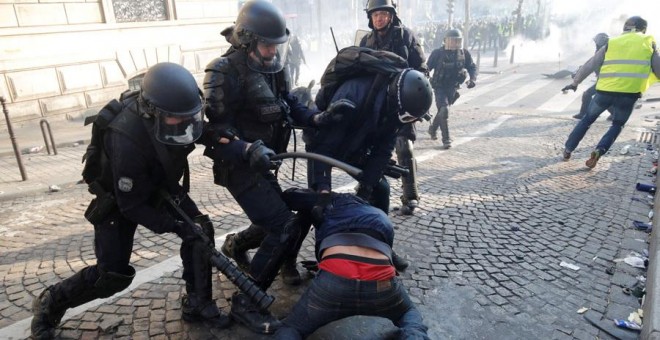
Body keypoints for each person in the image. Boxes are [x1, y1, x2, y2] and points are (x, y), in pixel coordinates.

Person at [30, 62, 230, 339]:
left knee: (199, 231)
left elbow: (191, 127)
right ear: (153, 112)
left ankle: (198, 303)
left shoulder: (174, 114)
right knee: (112, 275)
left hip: (158, 184)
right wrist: (173, 225)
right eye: (176, 118)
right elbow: (132, 206)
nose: (183, 122)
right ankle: (50, 303)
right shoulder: (126, 138)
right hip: (119, 201)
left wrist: (214, 134)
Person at [201, 0, 349, 333]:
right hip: (239, 167)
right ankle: (247, 302)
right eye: (267, 44)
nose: (272, 51)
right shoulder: (223, 71)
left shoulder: (273, 64)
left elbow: (289, 103)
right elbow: (211, 131)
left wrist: (316, 117)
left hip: (268, 162)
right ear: (247, 39)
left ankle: (237, 245)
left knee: (284, 217)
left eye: (275, 45)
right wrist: (246, 148)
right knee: (283, 225)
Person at [306, 68, 432, 271]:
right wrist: (322, 188)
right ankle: (320, 261)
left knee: (380, 189)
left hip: (356, 145)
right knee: (317, 205)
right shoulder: (353, 96)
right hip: (323, 144)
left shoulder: (395, 109)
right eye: (409, 118)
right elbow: (324, 147)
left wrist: (367, 186)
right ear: (399, 102)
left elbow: (383, 151)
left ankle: (381, 248)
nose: (408, 123)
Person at [274, 189, 430, 339]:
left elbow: (289, 196)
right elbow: (386, 254)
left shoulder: (329, 201)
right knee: (409, 314)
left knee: (291, 327)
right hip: (381, 283)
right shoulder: (378, 214)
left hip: (333, 280)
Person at [358, 0, 428, 216]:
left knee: (404, 147)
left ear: (391, 15)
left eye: (383, 14)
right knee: (368, 149)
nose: (379, 18)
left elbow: (421, 71)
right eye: (375, 14)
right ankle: (367, 190)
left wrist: (417, 105)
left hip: (401, 102)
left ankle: (411, 195)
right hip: (375, 104)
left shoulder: (405, 37)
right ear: (370, 17)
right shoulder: (366, 40)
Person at [561, 16, 660, 169]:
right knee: (617, 125)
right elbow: (658, 69)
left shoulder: (612, 42)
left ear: (625, 28)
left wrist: (575, 83)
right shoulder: (649, 42)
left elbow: (590, 64)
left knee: (587, 120)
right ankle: (599, 151)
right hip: (629, 95)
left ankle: (568, 150)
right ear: (643, 29)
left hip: (604, 91)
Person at [427, 28, 478, 149]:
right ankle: (446, 139)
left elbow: (472, 67)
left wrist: (473, 79)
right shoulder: (437, 53)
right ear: (445, 41)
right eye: (452, 41)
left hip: (453, 88)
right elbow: (426, 68)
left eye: (457, 41)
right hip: (439, 86)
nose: (454, 43)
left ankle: (433, 129)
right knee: (444, 110)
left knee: (442, 111)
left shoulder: (463, 53)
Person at [572, 33, 614, 121]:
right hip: (607, 80)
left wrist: (579, 75)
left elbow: (592, 66)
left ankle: (583, 114)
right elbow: (592, 64)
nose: (595, 45)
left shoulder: (603, 52)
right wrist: (580, 70)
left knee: (588, 94)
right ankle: (614, 114)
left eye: (596, 43)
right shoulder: (607, 51)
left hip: (605, 81)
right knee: (603, 98)